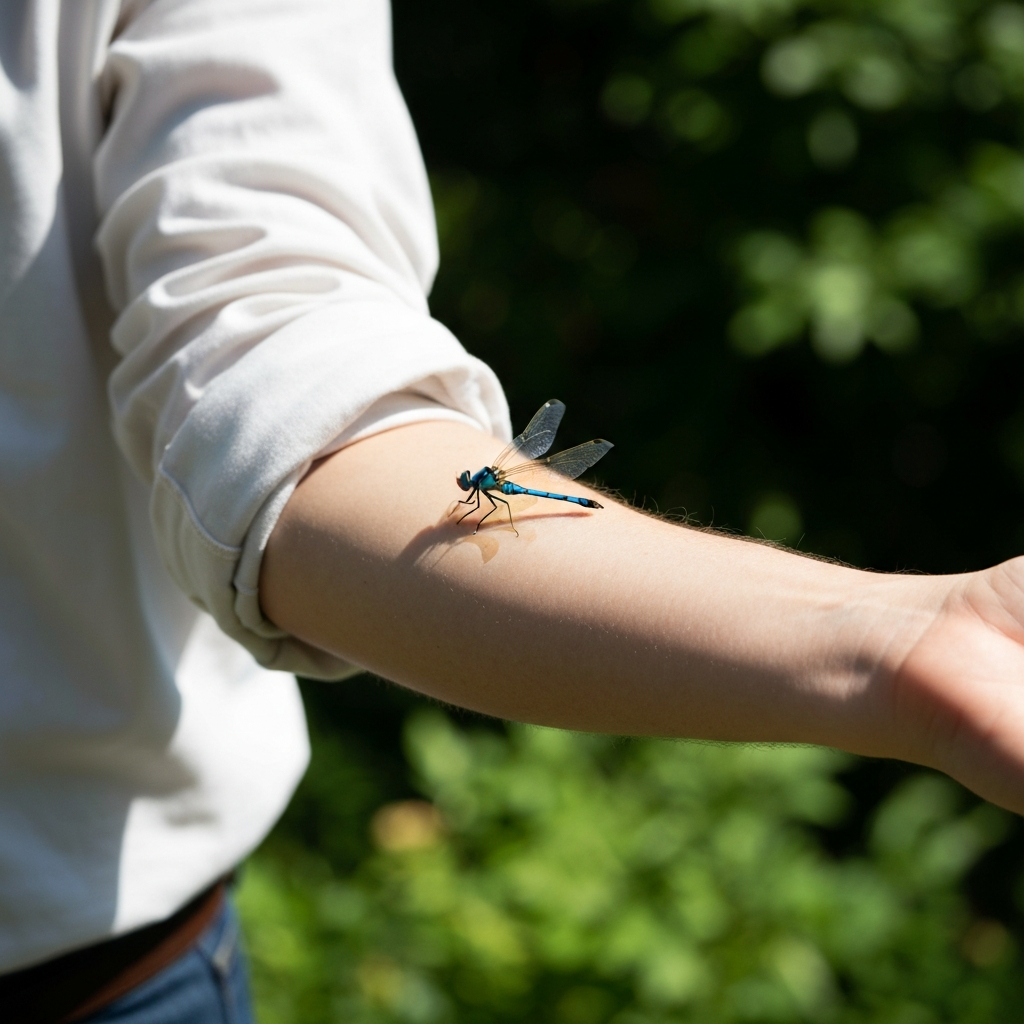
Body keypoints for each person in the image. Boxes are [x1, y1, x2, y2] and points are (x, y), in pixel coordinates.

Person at [2, 0, 1022, 1021]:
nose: (472, 495)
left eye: (474, 489)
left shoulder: (487, 493)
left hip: (110, 973)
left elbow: (291, 391)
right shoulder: (478, 497)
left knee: (531, 500)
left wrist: (899, 643)